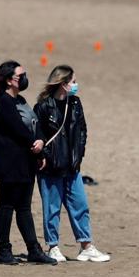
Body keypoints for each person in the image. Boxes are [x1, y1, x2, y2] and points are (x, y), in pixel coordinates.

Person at [33, 65, 110, 263]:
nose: (76, 85)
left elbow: (82, 130)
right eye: (73, 81)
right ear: (63, 84)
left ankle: (86, 246)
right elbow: (37, 135)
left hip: (72, 166)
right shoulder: (43, 106)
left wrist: (79, 155)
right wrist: (47, 156)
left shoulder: (75, 103)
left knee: (80, 205)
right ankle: (53, 247)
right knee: (52, 209)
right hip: (50, 168)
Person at [0, 60, 57, 265]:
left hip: (26, 161)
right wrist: (34, 145)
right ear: (9, 80)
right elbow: (17, 128)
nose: (25, 78)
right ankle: (4, 250)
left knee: (24, 207)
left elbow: (34, 124)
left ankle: (33, 249)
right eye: (20, 75)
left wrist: (41, 142)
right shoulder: (1, 101)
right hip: (9, 161)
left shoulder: (21, 100)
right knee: (7, 205)